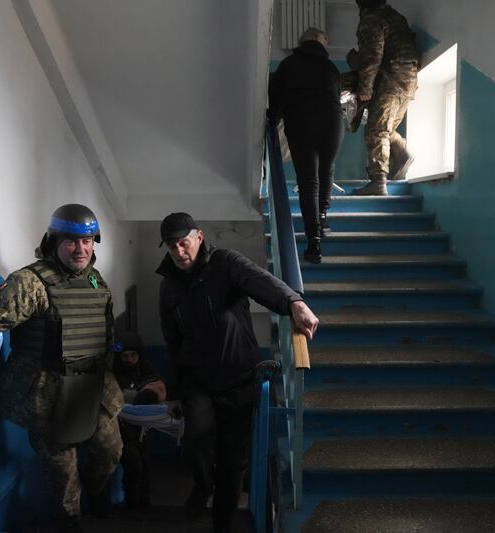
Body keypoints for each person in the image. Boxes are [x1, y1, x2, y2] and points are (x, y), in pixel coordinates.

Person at [0, 204, 124, 532]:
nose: (81, 249)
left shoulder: (94, 279)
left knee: (110, 450)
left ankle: (98, 492)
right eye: (72, 242)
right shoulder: (29, 282)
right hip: (49, 394)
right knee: (63, 473)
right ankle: (69, 523)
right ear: (54, 241)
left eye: (88, 241)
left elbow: (103, 334)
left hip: (93, 387)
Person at [155, 212, 320, 533]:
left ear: (199, 237)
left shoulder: (224, 263)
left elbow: (259, 281)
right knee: (195, 441)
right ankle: (203, 485)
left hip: (237, 378)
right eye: (172, 247)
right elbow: (171, 341)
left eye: (183, 243)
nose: (178, 252)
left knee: (233, 460)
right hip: (197, 381)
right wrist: (173, 392)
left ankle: (221, 523)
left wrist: (293, 303)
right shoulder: (168, 288)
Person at [268, 27, 344, 264]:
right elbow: (337, 96)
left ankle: (314, 244)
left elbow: (274, 100)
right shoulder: (331, 68)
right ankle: (323, 218)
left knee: (308, 181)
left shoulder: (288, 65)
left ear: (301, 43)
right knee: (327, 170)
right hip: (332, 121)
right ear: (323, 43)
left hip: (301, 122)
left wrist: (272, 122)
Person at [351, 0, 419, 196]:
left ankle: (378, 181)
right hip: (408, 80)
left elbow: (372, 55)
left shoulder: (373, 19)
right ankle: (403, 153)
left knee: (376, 129)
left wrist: (365, 87)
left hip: (391, 78)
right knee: (385, 128)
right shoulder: (396, 17)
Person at [112, 330, 166, 510]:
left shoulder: (146, 371)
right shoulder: (114, 374)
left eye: (133, 355)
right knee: (133, 463)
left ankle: (144, 502)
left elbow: (157, 389)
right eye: (124, 356)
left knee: (145, 464)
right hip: (121, 430)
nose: (128, 359)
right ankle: (132, 503)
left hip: (142, 430)